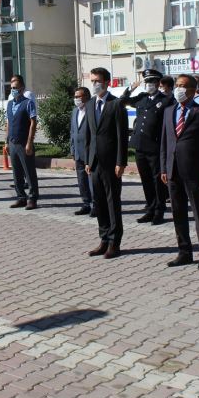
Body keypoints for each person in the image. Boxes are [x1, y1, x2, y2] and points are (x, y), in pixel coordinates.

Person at [161, 74, 199, 271]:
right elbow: (165, 143)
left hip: (194, 172)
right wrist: (163, 167)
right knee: (178, 212)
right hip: (172, 170)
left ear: (193, 90)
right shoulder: (169, 111)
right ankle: (184, 252)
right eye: (177, 85)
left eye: (183, 86)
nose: (178, 89)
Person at [86, 67, 129, 259]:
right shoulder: (89, 104)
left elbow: (122, 136)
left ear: (107, 82)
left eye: (98, 81)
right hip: (94, 162)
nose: (95, 84)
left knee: (113, 202)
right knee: (99, 202)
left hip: (111, 162)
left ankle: (114, 242)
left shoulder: (116, 104)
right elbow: (89, 136)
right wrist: (88, 160)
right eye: (92, 81)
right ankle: (103, 238)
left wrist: (121, 161)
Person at [120, 69, 172, 225]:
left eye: (152, 82)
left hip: (155, 146)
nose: (149, 85)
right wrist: (130, 89)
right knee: (146, 180)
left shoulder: (166, 100)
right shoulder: (142, 98)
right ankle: (150, 208)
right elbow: (122, 102)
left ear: (158, 83)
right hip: (140, 146)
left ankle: (159, 211)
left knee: (157, 181)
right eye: (147, 82)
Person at [6, 75, 40, 210]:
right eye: (11, 88)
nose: (13, 90)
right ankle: (21, 197)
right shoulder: (9, 104)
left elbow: (33, 122)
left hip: (24, 142)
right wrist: (7, 141)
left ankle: (32, 198)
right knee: (16, 172)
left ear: (22, 88)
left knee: (29, 172)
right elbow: (8, 123)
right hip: (13, 142)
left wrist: (29, 142)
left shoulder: (28, 103)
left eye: (16, 88)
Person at [70, 86, 94, 216]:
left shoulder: (92, 111)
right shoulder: (75, 111)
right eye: (75, 96)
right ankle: (86, 203)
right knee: (81, 181)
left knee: (92, 181)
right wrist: (72, 149)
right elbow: (73, 131)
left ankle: (95, 205)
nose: (76, 99)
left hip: (89, 152)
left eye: (78, 96)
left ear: (86, 97)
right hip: (78, 153)